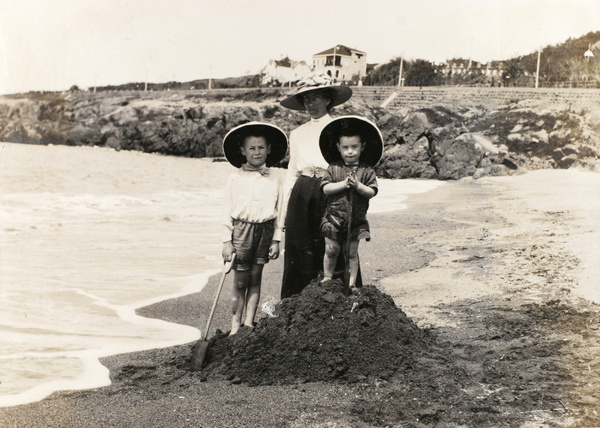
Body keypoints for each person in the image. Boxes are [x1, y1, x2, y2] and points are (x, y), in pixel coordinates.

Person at [279, 74, 353, 299]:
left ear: (328, 99)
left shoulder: (339, 127)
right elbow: (292, 171)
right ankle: (297, 302)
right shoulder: (297, 133)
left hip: (331, 187)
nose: (311, 104)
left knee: (332, 245)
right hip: (302, 191)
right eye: (306, 100)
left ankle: (336, 298)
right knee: (299, 248)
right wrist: (283, 212)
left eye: (316, 98)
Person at [221, 122, 288, 335]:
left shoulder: (277, 177)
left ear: (269, 149)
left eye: (261, 148)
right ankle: (234, 325)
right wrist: (226, 240)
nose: (257, 152)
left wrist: (277, 239)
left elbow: (280, 210)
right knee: (240, 281)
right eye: (252, 148)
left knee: (255, 278)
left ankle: (248, 323)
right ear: (242, 151)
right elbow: (226, 210)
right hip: (241, 231)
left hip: (265, 231)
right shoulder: (234, 178)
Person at [319, 116, 383, 288]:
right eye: (345, 147)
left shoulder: (367, 171)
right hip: (334, 218)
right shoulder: (333, 168)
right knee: (331, 250)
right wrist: (343, 184)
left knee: (352, 253)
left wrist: (357, 186)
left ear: (362, 147)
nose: (350, 151)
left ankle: (352, 284)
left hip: (356, 220)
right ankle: (327, 277)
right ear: (338, 148)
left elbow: (371, 192)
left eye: (354, 147)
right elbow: (325, 188)